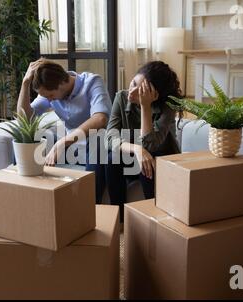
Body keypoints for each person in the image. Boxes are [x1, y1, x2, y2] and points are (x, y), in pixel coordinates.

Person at [17, 59, 112, 203]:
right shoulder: (50, 91)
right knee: (27, 140)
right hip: (72, 149)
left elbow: (100, 119)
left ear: (62, 82)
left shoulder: (92, 82)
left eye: (50, 96)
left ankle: (90, 207)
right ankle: (28, 199)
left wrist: (62, 142)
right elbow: (25, 119)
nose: (49, 99)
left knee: (97, 142)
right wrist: (25, 84)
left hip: (98, 147)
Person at [105, 61, 183, 219]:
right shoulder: (121, 97)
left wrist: (145, 106)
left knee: (148, 166)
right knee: (111, 159)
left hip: (160, 158)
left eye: (139, 91)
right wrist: (137, 149)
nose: (131, 92)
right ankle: (118, 220)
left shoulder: (168, 107)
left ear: (155, 95)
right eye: (133, 83)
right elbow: (109, 137)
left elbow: (150, 145)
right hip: (133, 156)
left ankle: (154, 220)